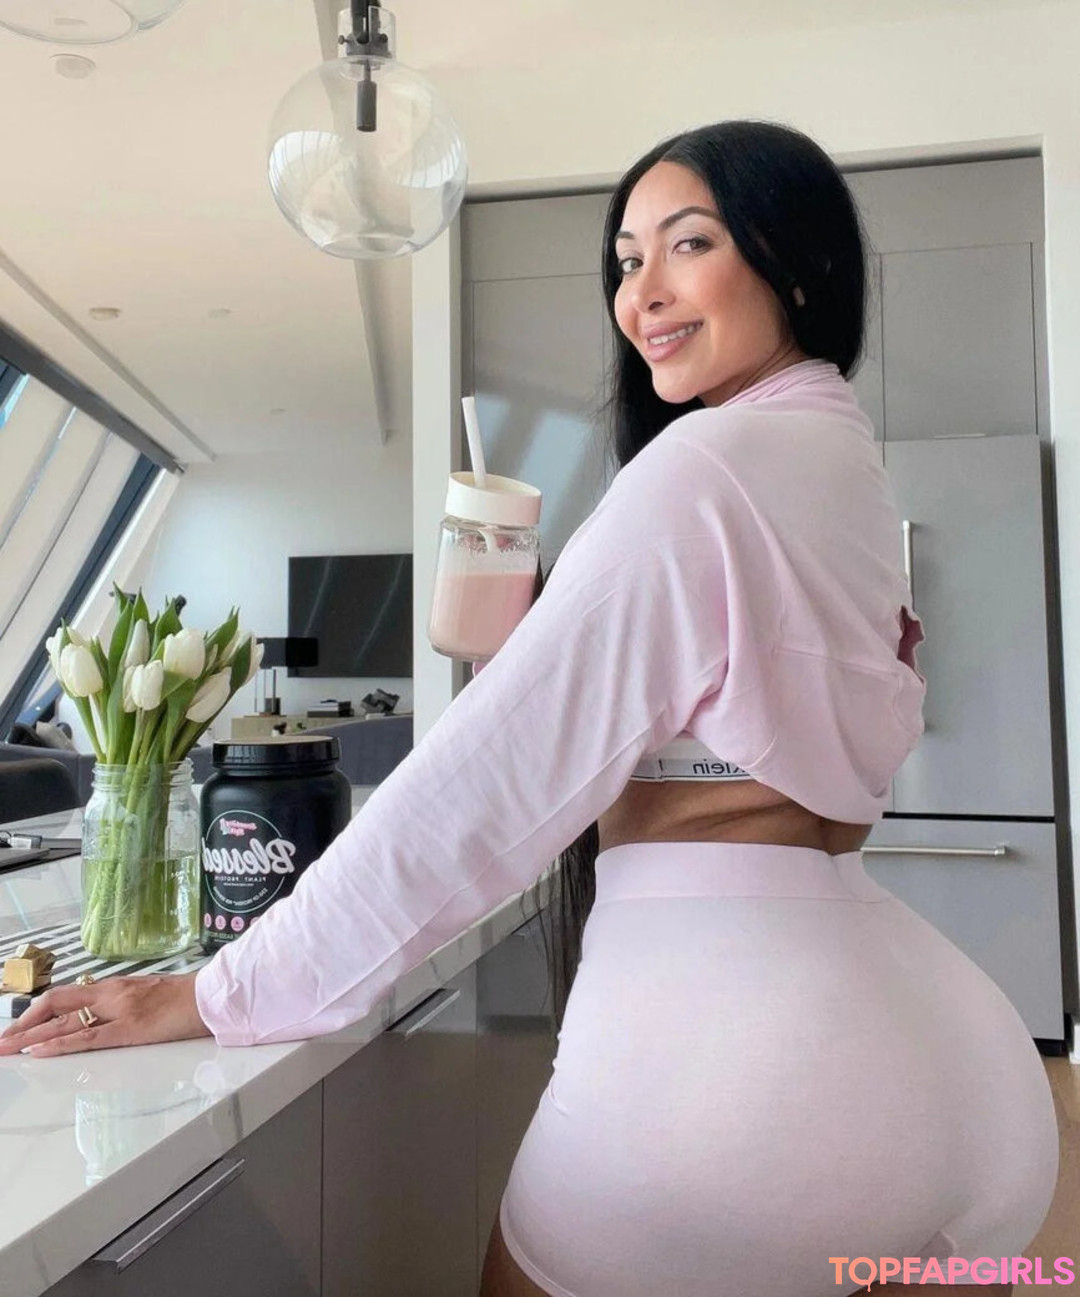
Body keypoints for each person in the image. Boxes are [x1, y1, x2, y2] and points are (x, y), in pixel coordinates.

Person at [0, 121, 1059, 1297]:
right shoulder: (840, 466)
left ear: (797, 266)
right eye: (626, 260)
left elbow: (475, 793)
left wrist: (218, 987)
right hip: (932, 1060)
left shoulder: (700, 470)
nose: (641, 294)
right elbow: (799, 774)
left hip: (726, 1082)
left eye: (688, 244)